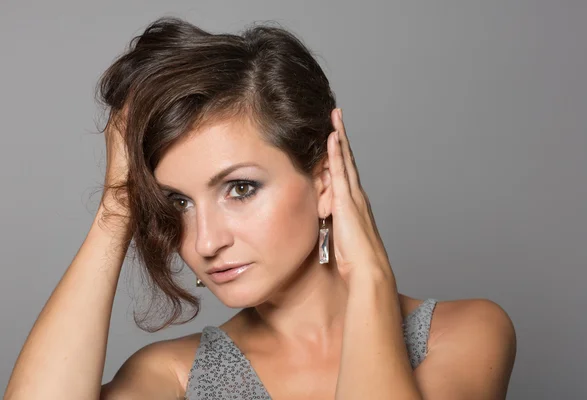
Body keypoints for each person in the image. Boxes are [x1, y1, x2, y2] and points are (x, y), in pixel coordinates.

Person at [4, 16, 517, 400]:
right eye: (178, 202)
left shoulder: (464, 332)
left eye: (240, 189)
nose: (205, 241)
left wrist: (370, 279)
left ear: (323, 181)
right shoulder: (174, 376)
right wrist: (118, 206)